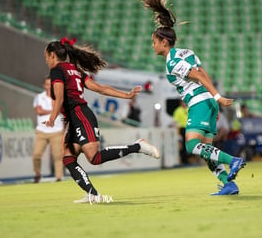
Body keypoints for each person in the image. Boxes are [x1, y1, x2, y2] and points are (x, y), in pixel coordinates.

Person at [140, 0, 246, 195]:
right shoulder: (186, 52)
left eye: (153, 41)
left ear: (163, 41)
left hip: (199, 101)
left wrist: (216, 97)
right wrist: (213, 102)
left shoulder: (172, 62)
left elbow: (198, 75)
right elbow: (203, 72)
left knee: (191, 145)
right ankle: (229, 184)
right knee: (207, 153)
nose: (152, 45)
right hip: (205, 102)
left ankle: (234, 161)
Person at [44, 37, 160, 203]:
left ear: (53, 55)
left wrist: (52, 117)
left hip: (80, 115)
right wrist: (126, 95)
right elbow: (101, 89)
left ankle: (138, 146)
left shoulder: (57, 70)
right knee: (68, 158)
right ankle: (93, 194)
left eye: (46, 57)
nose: (47, 61)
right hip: (76, 118)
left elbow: (60, 97)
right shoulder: (75, 70)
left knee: (94, 158)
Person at [32, 76, 64, 183]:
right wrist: (53, 111)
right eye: (47, 84)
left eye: (51, 84)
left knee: (57, 155)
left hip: (56, 130)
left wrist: (52, 109)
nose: (49, 86)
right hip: (42, 130)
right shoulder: (39, 97)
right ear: (44, 85)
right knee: (36, 154)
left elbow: (60, 110)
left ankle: (59, 177)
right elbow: (39, 111)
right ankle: (37, 174)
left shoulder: (59, 96)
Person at [172, 100, 189, 165]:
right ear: (180, 103)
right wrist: (177, 131)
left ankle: (187, 158)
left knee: (188, 144)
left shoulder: (188, 109)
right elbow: (175, 122)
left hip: (189, 128)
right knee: (182, 145)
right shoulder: (178, 110)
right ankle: (183, 159)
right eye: (183, 102)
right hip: (182, 129)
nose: (184, 103)